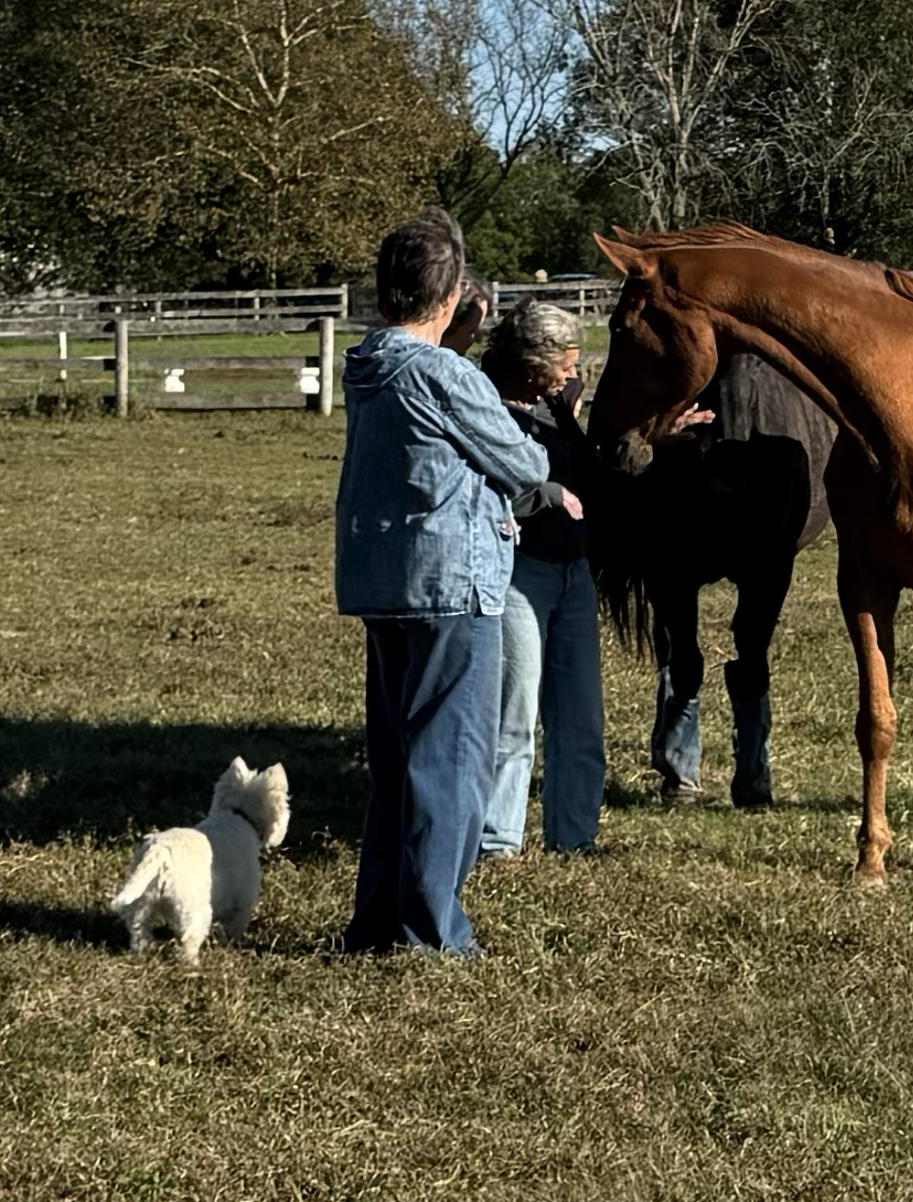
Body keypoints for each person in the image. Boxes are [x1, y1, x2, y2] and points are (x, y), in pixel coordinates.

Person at [332, 208, 549, 955]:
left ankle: (377, 921)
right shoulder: (443, 372)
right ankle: (431, 932)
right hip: (453, 581)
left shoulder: (367, 363)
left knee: (396, 762)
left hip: (383, 577)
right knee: (452, 759)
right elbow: (525, 463)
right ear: (452, 293)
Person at [476, 299, 605, 858]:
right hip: (519, 570)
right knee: (514, 715)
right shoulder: (485, 406)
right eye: (567, 364)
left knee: (581, 717)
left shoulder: (555, 405)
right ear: (533, 363)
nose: (574, 374)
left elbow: (587, 472)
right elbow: (487, 485)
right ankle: (498, 841)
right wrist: (541, 496)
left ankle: (574, 837)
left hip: (574, 570)